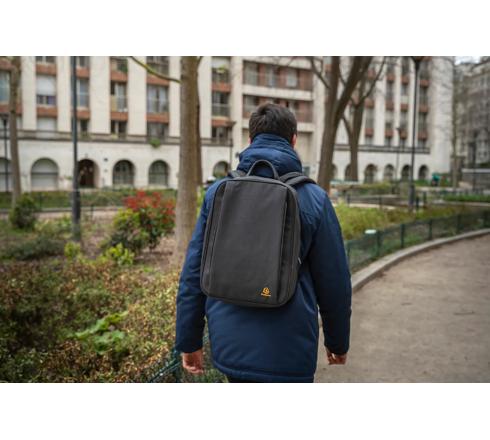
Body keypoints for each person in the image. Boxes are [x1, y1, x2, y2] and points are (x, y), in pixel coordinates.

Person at [175, 103, 352, 383]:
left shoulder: (218, 193)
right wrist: (337, 341)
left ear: (250, 139)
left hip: (230, 346)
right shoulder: (314, 198)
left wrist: (189, 340)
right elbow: (334, 280)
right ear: (294, 140)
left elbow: (193, 272)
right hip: (290, 351)